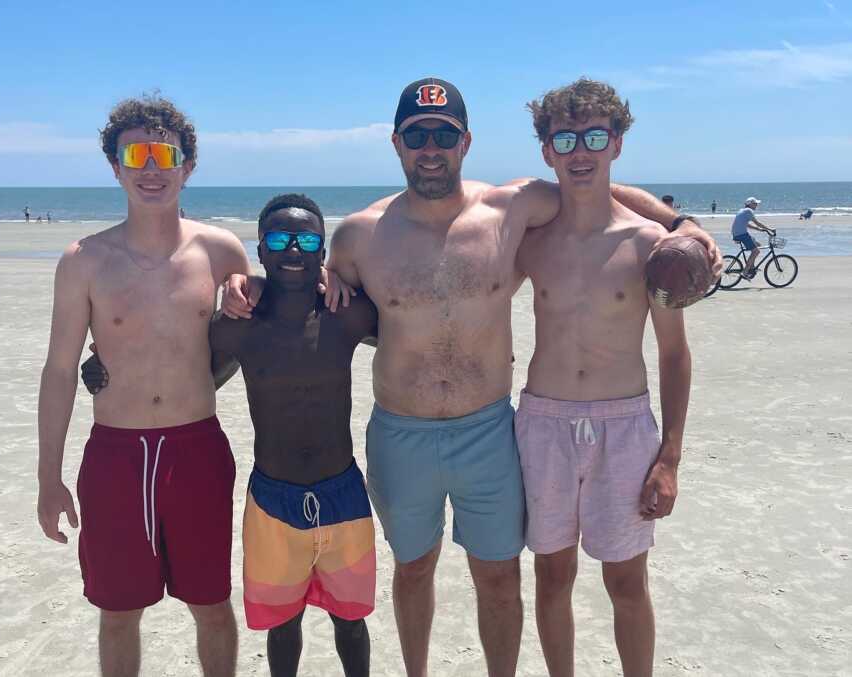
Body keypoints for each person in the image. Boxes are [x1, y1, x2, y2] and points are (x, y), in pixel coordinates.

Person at [224, 76, 719, 677]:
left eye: (443, 134)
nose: (430, 147)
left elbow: (592, 187)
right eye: (417, 135)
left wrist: (682, 223)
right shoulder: (359, 235)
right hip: (400, 433)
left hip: (489, 430)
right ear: (397, 144)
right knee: (414, 569)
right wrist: (243, 282)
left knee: (500, 574)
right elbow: (294, 284)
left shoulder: (512, 208)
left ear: (465, 142)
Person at [85, 193, 378, 677]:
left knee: (350, 621)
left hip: (343, 491)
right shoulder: (238, 328)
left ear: (321, 253)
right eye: (280, 239)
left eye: (307, 240)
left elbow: (411, 333)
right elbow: (185, 374)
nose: (293, 250)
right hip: (272, 497)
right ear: (259, 250)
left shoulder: (345, 314)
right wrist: (108, 362)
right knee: (284, 623)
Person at [36, 95, 252, 677]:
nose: (151, 168)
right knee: (117, 609)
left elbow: (246, 346)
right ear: (114, 166)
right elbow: (59, 369)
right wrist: (47, 476)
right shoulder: (84, 260)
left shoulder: (221, 250)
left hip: (198, 448)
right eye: (136, 154)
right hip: (114, 452)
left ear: (188, 165)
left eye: (166, 154)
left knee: (211, 603)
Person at [517, 77, 691, 677]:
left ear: (617, 143)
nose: (580, 152)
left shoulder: (651, 246)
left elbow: (674, 354)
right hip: (543, 421)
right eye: (565, 139)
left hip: (624, 424)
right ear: (547, 151)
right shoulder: (530, 241)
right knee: (552, 574)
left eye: (595, 136)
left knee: (626, 578)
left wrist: (669, 457)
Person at [731, 197, 774, 278]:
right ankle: (745, 272)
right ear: (750, 204)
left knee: (757, 244)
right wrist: (769, 229)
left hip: (737, 234)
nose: (757, 205)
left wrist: (758, 229)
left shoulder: (742, 210)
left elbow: (746, 224)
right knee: (756, 251)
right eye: (755, 204)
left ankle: (752, 267)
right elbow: (757, 222)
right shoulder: (748, 211)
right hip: (742, 234)